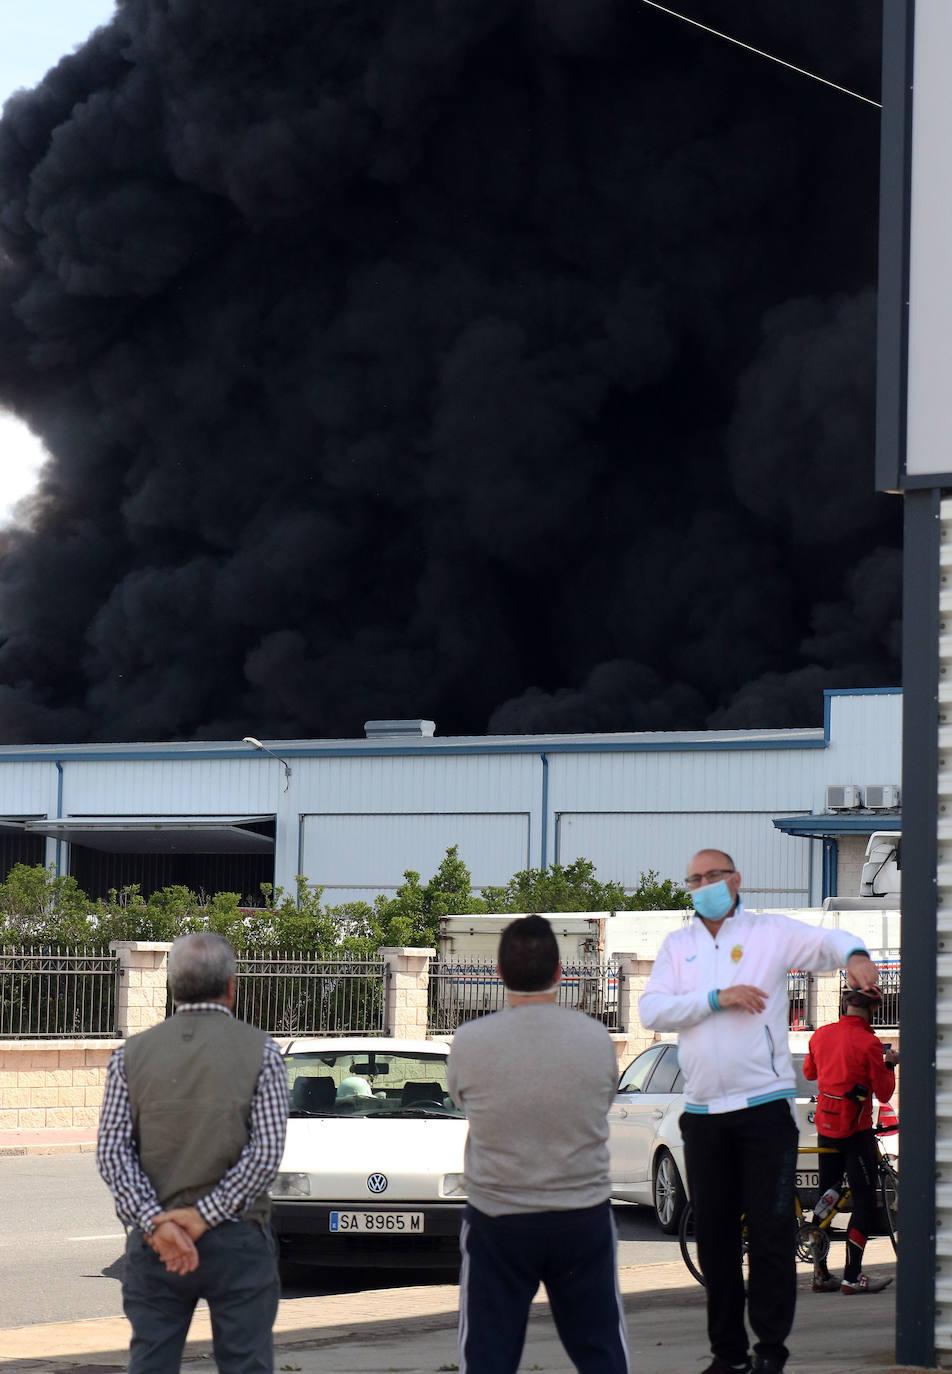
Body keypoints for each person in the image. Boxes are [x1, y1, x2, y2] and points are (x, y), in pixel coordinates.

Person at [639, 849, 881, 1374]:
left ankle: (770, 1353)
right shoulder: (679, 946)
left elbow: (826, 942)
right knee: (716, 1240)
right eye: (695, 879)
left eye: (713, 876)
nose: (704, 885)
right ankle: (727, 1357)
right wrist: (715, 997)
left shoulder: (768, 933)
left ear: (735, 880)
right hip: (703, 1114)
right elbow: (651, 1009)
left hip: (764, 1111)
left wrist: (856, 953)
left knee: (771, 1234)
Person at [97, 931, 288, 1374]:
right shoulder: (263, 1052)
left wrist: (156, 1223)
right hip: (238, 1239)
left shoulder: (129, 1056)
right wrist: (204, 1215)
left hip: (157, 1243)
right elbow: (265, 1153)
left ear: (173, 987)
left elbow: (113, 1154)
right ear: (231, 986)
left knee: (151, 1363)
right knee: (246, 1364)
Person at [446, 914, 630, 1374]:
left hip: (498, 1219)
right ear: (559, 972)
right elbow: (603, 1100)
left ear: (499, 974)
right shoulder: (596, 1038)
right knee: (602, 1351)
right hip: (581, 1216)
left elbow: (463, 1100)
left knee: (487, 1356)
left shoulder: (470, 1041)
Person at [802, 986, 899, 1295]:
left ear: (844, 1006)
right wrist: (889, 1063)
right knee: (864, 1203)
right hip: (856, 1133)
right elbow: (884, 1092)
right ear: (873, 1009)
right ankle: (852, 1276)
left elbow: (809, 1072)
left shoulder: (821, 1035)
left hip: (826, 1126)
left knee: (826, 1199)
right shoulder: (869, 1043)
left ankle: (820, 1274)